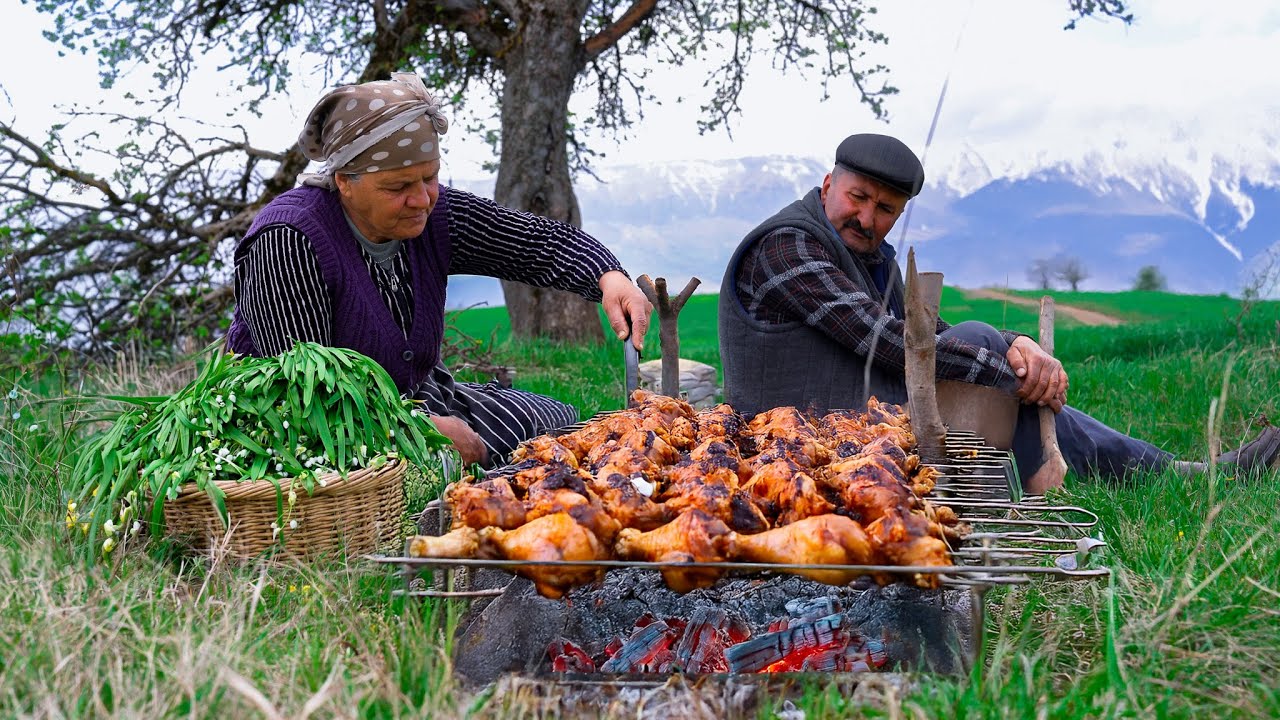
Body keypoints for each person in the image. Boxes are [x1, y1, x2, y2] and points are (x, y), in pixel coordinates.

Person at [718, 132, 1280, 482]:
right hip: (787, 431)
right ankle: (1069, 483)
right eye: (857, 198)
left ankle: (1165, 473)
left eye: (886, 208)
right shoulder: (787, 245)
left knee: (986, 339)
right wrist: (1010, 371)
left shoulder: (868, 255)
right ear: (827, 185)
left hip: (846, 412)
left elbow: (929, 329)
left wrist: (1018, 349)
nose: (867, 218)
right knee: (985, 348)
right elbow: (884, 341)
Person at [225, 72, 651, 467]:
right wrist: (415, 431)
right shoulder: (289, 240)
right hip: (307, 427)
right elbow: (304, 395)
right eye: (398, 187)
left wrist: (607, 276)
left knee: (558, 419)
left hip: (413, 396)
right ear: (344, 181)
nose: (422, 199)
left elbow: (535, 242)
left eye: (430, 178)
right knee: (446, 464)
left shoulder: (436, 213)